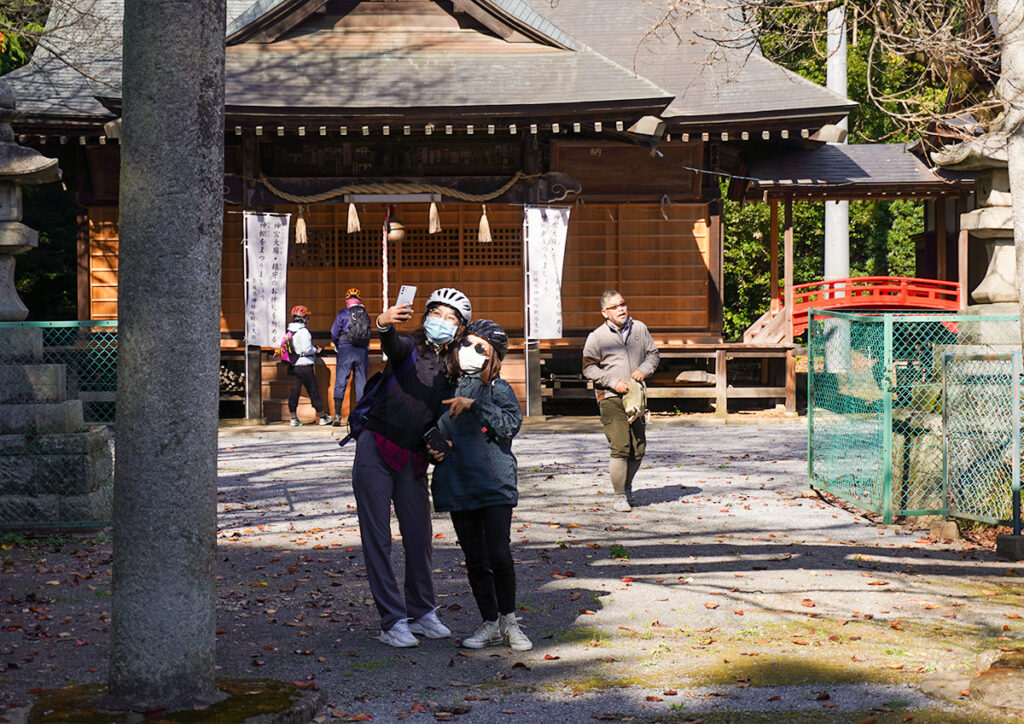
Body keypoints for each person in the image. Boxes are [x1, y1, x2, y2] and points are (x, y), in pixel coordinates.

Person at [351, 287, 472, 648]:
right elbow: (393, 344)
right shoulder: (411, 347)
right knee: (378, 537)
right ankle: (392, 620)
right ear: (426, 316)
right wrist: (383, 324)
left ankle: (421, 612)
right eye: (436, 313)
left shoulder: (457, 365)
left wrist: (442, 445)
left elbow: (447, 417)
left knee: (419, 537)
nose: (442, 321)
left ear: (460, 327)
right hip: (377, 444)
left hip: (414, 454)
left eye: (451, 318)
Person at [428, 319, 531, 651]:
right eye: (465, 344)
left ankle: (509, 621)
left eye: (478, 347)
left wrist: (476, 405)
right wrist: (433, 449)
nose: (468, 352)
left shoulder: (498, 388)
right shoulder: (445, 388)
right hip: (457, 481)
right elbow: (431, 429)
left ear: (493, 355)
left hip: (494, 482)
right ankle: (489, 622)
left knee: (498, 554)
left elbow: (510, 426)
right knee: (474, 558)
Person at [582, 290, 660, 512]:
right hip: (610, 396)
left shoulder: (640, 329)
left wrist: (644, 370)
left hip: (635, 396)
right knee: (620, 445)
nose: (621, 309)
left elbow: (653, 354)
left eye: (622, 304)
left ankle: (626, 487)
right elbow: (588, 367)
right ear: (604, 313)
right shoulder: (597, 336)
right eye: (614, 307)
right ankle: (619, 496)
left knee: (639, 448)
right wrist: (612, 381)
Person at [330, 288, 371, 425]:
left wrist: (337, 344)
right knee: (361, 382)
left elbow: (334, 332)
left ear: (347, 300)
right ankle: (362, 416)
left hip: (345, 350)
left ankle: (337, 416)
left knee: (341, 381)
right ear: (359, 300)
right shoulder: (365, 314)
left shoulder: (342, 313)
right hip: (361, 351)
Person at [286, 305, 331, 427]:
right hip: (304, 365)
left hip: (293, 364)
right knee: (313, 391)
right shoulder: (304, 332)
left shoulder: (289, 331)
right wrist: (315, 349)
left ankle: (293, 418)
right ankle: (322, 417)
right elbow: (306, 349)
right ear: (304, 318)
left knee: (294, 391)